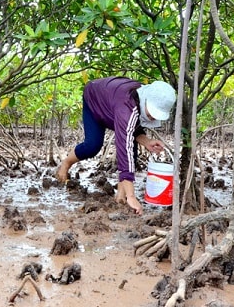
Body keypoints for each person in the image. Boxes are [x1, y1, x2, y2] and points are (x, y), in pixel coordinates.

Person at [56, 76, 176, 215]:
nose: (154, 118)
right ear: (145, 102)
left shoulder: (142, 98)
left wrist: (147, 142)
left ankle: (120, 196)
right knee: (93, 145)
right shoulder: (127, 109)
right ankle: (66, 163)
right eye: (152, 114)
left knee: (132, 149)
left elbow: (132, 130)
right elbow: (124, 149)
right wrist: (132, 196)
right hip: (94, 100)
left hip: (113, 104)